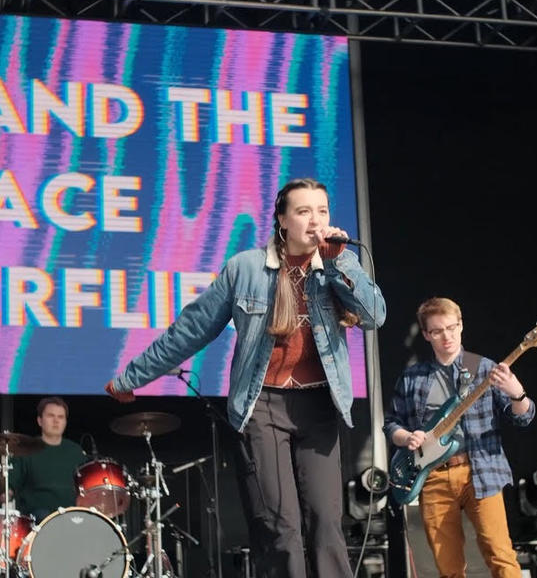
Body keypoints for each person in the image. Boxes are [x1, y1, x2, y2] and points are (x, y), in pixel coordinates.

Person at [104, 178, 386, 578]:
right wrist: (132, 376)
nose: (315, 220)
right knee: (280, 526)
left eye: (321, 211)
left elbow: (375, 316)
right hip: (263, 407)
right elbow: (191, 329)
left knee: (326, 522)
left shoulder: (335, 266)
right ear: (282, 220)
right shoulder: (246, 268)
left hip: (320, 405)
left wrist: (343, 261)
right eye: (303, 211)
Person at [383, 297, 535, 578]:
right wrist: (407, 438)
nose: (447, 336)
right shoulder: (413, 377)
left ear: (461, 326)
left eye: (452, 328)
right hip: (433, 475)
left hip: (482, 471)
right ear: (427, 335)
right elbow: (392, 423)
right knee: (448, 567)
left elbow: (524, 417)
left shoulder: (483, 368)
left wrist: (517, 393)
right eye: (438, 331)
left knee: (501, 556)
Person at [8, 396, 86, 523]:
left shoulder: (76, 451)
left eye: (61, 417)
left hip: (73, 518)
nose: (56, 421)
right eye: (51, 416)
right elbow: (9, 487)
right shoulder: (26, 450)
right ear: (40, 421)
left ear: (65, 422)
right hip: (37, 522)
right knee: (43, 515)